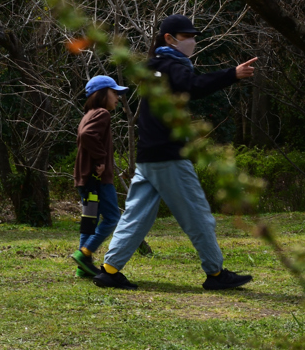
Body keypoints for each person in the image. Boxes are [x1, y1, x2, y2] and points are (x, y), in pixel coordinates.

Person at [94, 15, 257, 291]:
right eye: (187, 36)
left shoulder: (153, 67)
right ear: (169, 39)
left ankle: (109, 270)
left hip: (149, 155)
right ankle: (216, 274)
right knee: (197, 214)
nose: (192, 41)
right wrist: (232, 74)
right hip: (168, 155)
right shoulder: (171, 67)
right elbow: (193, 87)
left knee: (137, 215)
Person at [71, 75, 127, 279]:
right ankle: (84, 253)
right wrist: (101, 160)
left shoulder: (89, 114)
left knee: (90, 221)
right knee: (113, 218)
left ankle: (82, 267)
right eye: (114, 93)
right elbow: (87, 135)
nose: (118, 98)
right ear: (102, 94)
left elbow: (85, 134)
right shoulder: (102, 113)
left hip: (85, 179)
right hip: (98, 179)